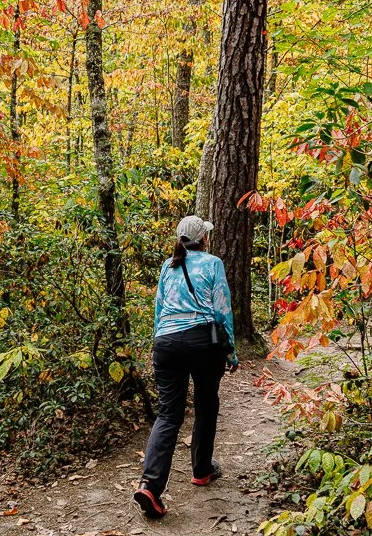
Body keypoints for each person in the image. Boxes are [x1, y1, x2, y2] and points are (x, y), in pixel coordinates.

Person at [133, 215, 238, 518]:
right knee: (206, 404)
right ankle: (202, 470)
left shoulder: (168, 265)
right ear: (203, 238)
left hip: (166, 343)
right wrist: (230, 351)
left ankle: (150, 486)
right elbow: (222, 310)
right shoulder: (212, 263)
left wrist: (159, 344)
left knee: (168, 414)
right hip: (203, 342)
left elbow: (159, 310)